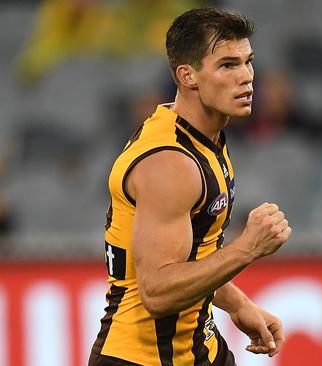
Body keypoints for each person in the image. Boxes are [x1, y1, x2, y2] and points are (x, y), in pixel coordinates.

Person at [89, 8, 292, 366]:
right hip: (143, 358)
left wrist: (239, 305)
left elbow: (190, 255)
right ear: (188, 76)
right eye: (227, 65)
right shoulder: (169, 163)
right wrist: (247, 248)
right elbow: (157, 292)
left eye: (248, 62)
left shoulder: (203, 136)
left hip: (201, 349)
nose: (246, 77)